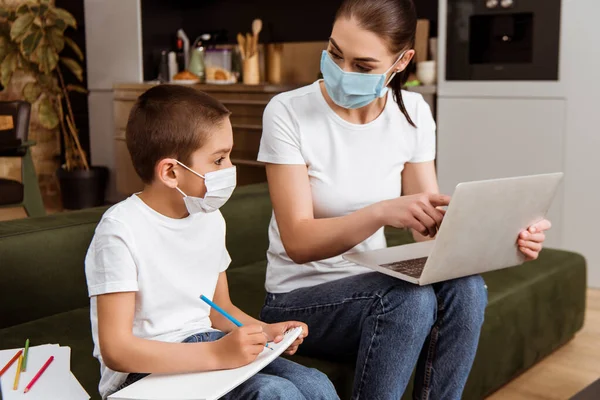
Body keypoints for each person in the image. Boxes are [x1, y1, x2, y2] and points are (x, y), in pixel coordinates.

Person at [257, 0, 552, 399]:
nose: (343, 72)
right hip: (298, 299)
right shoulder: (288, 112)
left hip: (374, 288)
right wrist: (380, 212)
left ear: (402, 60)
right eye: (334, 53)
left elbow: (430, 234)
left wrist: (506, 238)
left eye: (362, 66)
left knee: (465, 286)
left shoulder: (412, 112)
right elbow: (298, 241)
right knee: (407, 299)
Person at [84, 85, 339, 400]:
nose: (231, 169)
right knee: (274, 393)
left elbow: (221, 310)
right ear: (171, 172)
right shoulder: (120, 230)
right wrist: (217, 354)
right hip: (141, 374)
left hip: (207, 342)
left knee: (317, 385)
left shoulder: (210, 218)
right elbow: (117, 351)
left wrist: (266, 331)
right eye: (219, 160)